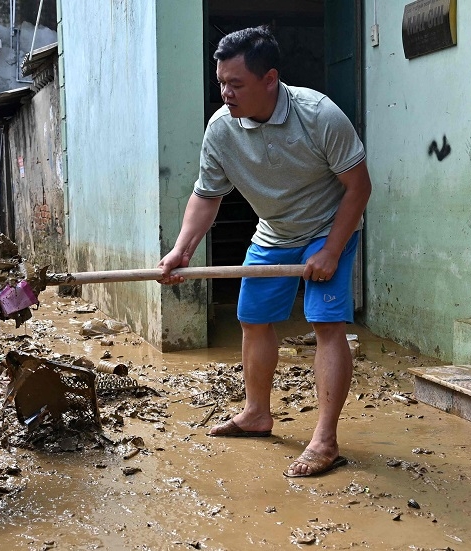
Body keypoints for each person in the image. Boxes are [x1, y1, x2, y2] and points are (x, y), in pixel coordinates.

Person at [158, 26, 372, 478]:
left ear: (269, 79)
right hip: (274, 232)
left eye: (236, 84)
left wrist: (332, 250)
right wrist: (182, 250)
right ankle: (257, 413)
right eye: (222, 82)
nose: (226, 93)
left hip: (327, 226)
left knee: (325, 322)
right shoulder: (221, 129)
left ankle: (325, 439)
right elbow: (206, 195)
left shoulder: (318, 115)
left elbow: (358, 188)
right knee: (252, 319)